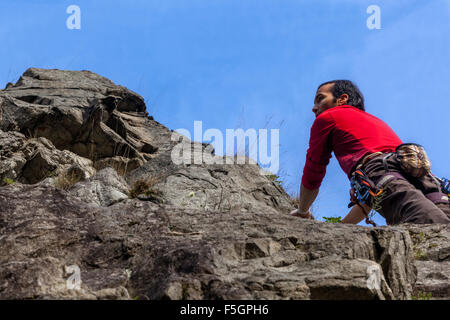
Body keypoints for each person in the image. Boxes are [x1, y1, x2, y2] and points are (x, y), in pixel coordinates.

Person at [290, 80, 450, 225]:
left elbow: (314, 170)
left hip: (379, 169)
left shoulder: (327, 118)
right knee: (443, 222)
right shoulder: (374, 121)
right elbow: (372, 195)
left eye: (320, 99)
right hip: (421, 172)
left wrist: (302, 211)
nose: (314, 108)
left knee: (426, 220)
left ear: (342, 99)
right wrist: (343, 226)